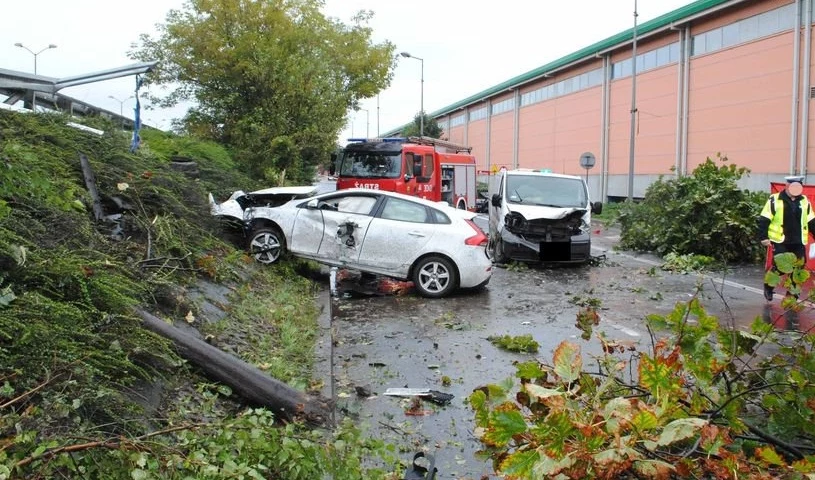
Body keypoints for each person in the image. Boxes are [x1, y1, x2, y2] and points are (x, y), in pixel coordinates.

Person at [757, 175, 815, 301]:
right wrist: (763, 237)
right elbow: (764, 219)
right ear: (787, 186)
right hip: (780, 240)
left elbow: (811, 221)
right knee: (779, 267)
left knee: (799, 268)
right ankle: (769, 286)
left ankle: (792, 293)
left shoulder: (805, 201)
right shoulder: (775, 199)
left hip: (798, 241)